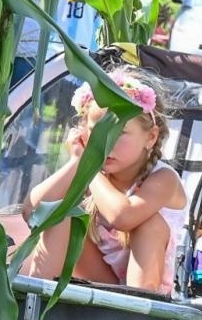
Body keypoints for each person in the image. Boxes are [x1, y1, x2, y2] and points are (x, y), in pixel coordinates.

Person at [18, 67, 187, 296]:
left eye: (118, 132)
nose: (105, 142)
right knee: (58, 212)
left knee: (149, 224)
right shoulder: (101, 176)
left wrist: (91, 168)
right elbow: (34, 212)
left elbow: (122, 216)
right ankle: (34, 306)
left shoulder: (164, 179)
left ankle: (135, 319)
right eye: (96, 132)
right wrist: (78, 163)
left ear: (150, 137)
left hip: (150, 292)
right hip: (105, 281)